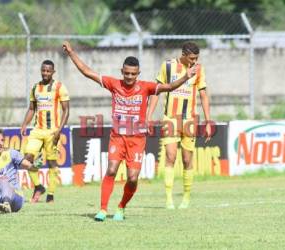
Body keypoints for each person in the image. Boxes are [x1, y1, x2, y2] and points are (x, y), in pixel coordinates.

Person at [62, 41, 198, 221]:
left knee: (132, 178)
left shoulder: (146, 87)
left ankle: (121, 207)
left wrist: (185, 77)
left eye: (133, 74)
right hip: (117, 138)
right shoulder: (113, 84)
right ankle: (103, 209)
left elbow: (168, 87)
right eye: (126, 73)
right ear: (121, 71)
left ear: (138, 74)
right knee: (111, 170)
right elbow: (87, 72)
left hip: (137, 139)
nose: (129, 77)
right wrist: (71, 52)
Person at [147, 41, 212, 209]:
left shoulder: (199, 70)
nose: (194, 61)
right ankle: (169, 199)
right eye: (191, 58)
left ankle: (186, 197)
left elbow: (203, 95)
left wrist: (208, 121)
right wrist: (148, 116)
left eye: (196, 58)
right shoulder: (167, 66)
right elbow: (156, 91)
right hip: (170, 118)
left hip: (189, 120)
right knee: (170, 156)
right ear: (183, 54)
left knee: (187, 159)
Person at [21, 60, 70, 203]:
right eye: (43, 70)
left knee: (51, 162)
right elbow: (31, 109)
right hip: (37, 130)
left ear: (53, 72)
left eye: (48, 71)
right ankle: (38, 186)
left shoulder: (59, 87)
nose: (45, 73)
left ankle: (51, 195)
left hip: (52, 132)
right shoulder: (35, 87)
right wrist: (24, 124)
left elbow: (66, 110)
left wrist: (59, 130)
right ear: (41, 70)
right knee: (27, 159)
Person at [0, 128, 41, 213]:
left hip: (15, 197)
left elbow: (30, 166)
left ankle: (6, 204)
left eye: (2, 140)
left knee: (3, 179)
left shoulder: (11, 154)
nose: (0, 143)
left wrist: (36, 165)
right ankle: (2, 207)